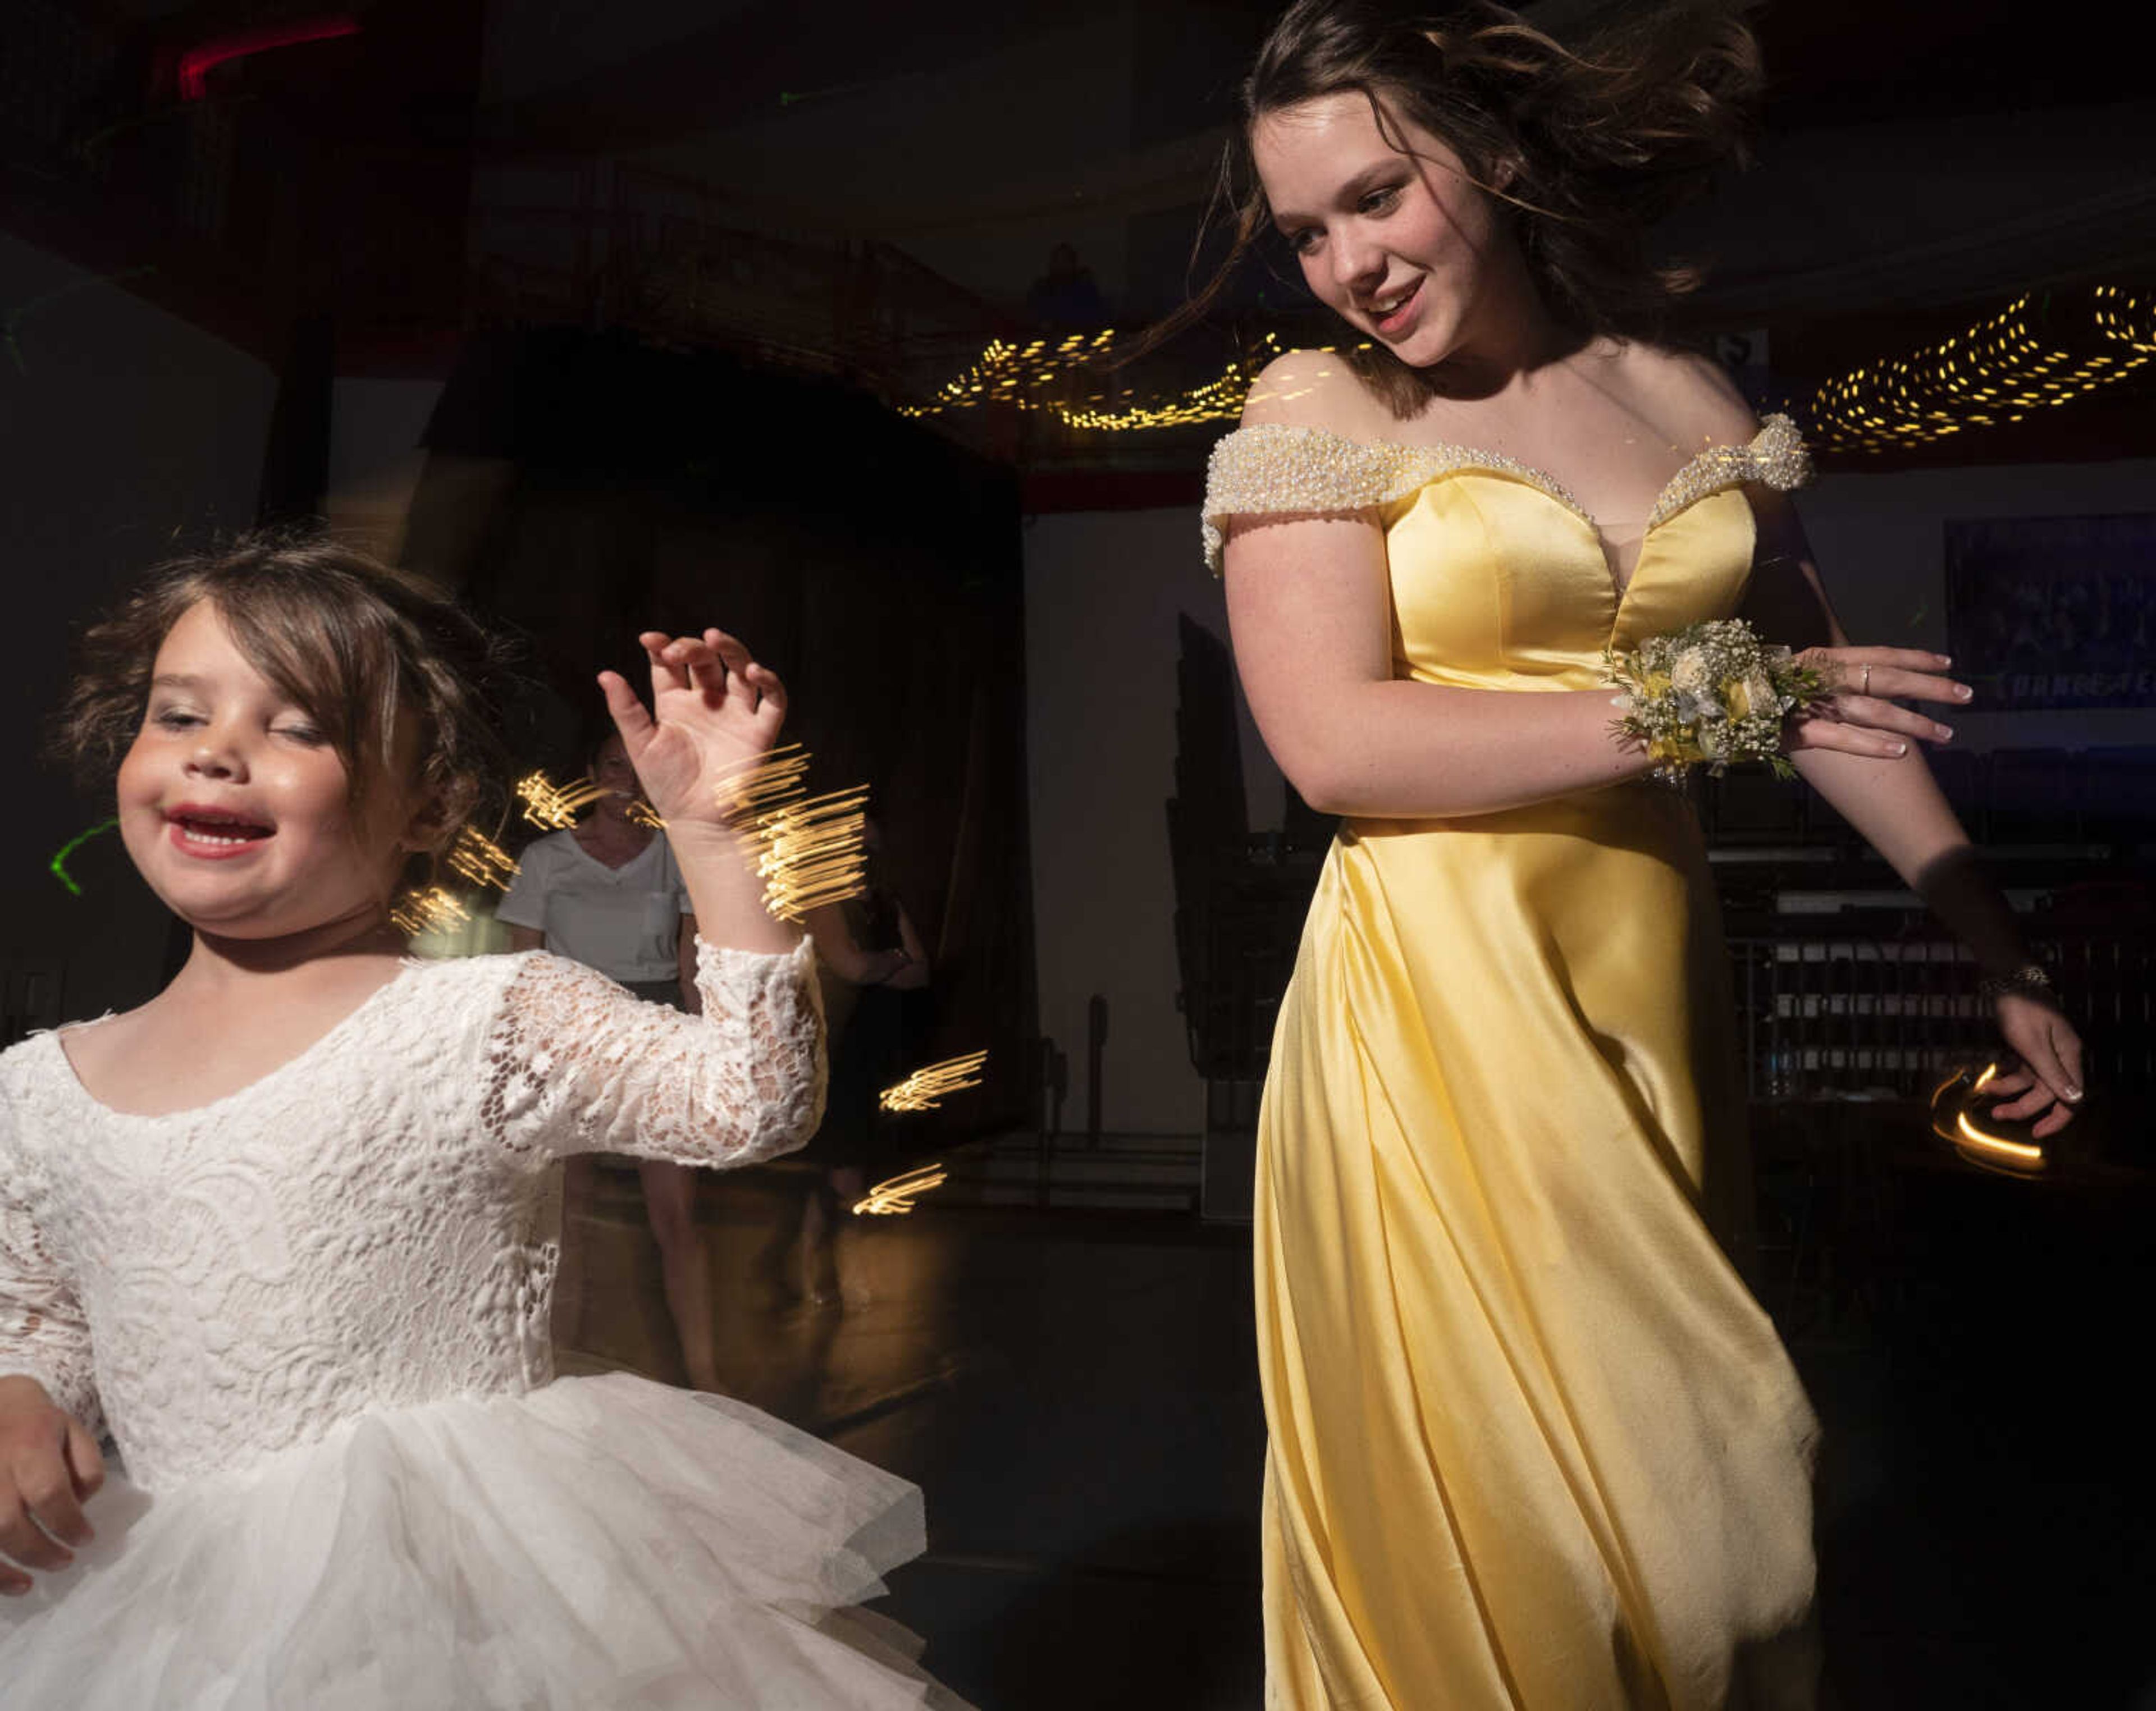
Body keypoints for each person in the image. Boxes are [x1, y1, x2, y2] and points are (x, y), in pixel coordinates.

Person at [1187, 3, 2088, 1705]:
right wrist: (1699, 708)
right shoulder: (1324, 401)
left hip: (1640, 985)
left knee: (1703, 1504)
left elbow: (1818, 699)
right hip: (1437, 1008)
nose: (1346, 265)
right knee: (1572, 1524)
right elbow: (1332, 743)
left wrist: (1988, 934)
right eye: (1304, 232)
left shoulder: (1684, 395)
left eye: (1376, 197)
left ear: (1494, 157)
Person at [0, 534, 967, 1707]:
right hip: (162, 1618)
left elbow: (748, 1102)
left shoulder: (486, 1018)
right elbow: (43, 1308)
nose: (219, 758)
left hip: (451, 1611)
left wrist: (714, 835)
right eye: (179, 716)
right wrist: (23, 1395)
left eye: (299, 727)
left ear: (429, 806)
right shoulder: (41, 1087)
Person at [497, 729, 723, 1391]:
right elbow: (522, 968)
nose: (625, 778)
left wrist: (706, 1051)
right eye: (612, 763)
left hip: (654, 1031)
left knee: (677, 1213)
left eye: (639, 768)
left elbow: (691, 965)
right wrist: (521, 1063)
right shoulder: (546, 859)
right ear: (589, 771)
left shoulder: (672, 858)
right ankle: (549, 1365)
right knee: (568, 1214)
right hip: (569, 1032)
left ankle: (708, 1375)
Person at [796, 818, 931, 1304]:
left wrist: (884, 964)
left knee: (845, 1164)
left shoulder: (885, 901)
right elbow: (850, 966)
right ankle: (845, 1271)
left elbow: (920, 972)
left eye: (872, 843)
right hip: (838, 1045)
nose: (865, 851)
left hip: (877, 1043)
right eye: (857, 842)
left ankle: (814, 1267)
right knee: (843, 1165)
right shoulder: (822, 900)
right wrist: (891, 961)